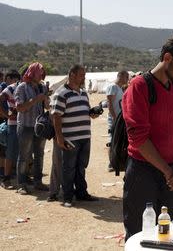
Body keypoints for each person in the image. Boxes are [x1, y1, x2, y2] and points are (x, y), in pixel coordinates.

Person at [121, 35, 173, 240]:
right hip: (143, 172)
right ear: (166, 57)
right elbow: (138, 137)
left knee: (168, 231)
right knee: (139, 233)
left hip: (172, 173)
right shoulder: (139, 86)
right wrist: (168, 170)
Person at [50, 64, 100, 206]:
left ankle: (81, 193)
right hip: (70, 138)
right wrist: (60, 138)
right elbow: (57, 117)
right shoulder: (61, 93)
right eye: (81, 75)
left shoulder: (83, 92)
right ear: (72, 75)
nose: (83, 77)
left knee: (81, 167)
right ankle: (67, 197)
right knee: (69, 168)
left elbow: (84, 112)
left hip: (84, 137)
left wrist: (92, 113)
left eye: (84, 75)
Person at [14, 63, 50, 195]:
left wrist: (46, 101)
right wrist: (35, 100)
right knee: (24, 156)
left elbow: (47, 106)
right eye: (39, 72)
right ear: (32, 73)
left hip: (39, 127)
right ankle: (21, 184)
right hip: (25, 126)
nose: (42, 75)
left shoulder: (42, 87)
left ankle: (38, 182)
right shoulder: (21, 88)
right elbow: (19, 108)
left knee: (39, 155)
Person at [0, 70, 21, 189]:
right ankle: (6, 178)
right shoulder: (11, 88)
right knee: (10, 151)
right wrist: (6, 115)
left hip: (23, 124)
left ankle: (20, 176)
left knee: (21, 152)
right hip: (13, 124)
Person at [105, 70, 129, 171]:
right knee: (112, 141)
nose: (127, 79)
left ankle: (118, 161)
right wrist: (114, 118)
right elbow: (109, 103)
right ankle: (111, 163)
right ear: (120, 76)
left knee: (119, 140)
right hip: (114, 119)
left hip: (121, 119)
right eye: (126, 77)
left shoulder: (120, 88)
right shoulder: (113, 87)